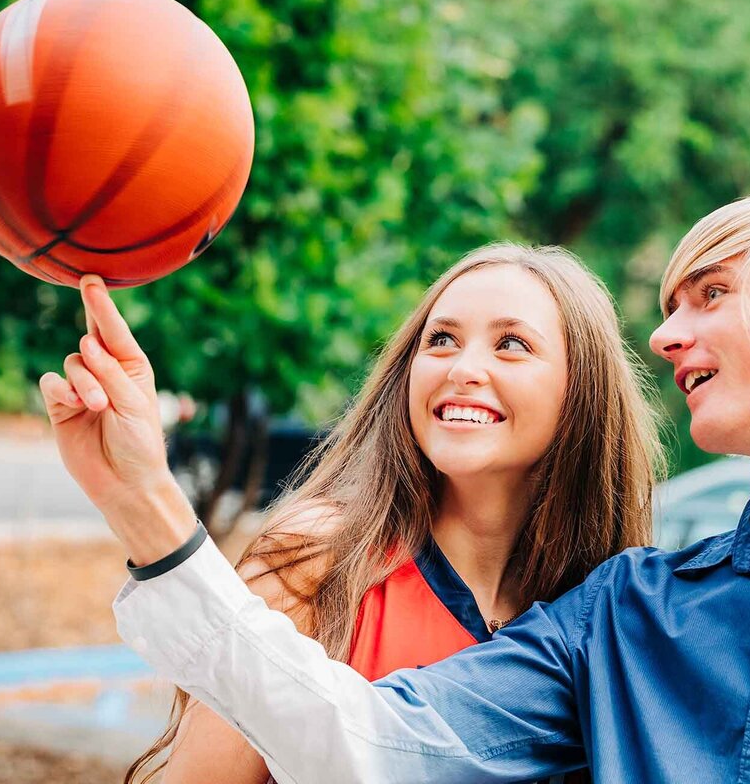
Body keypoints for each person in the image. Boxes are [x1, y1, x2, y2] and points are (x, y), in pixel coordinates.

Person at [51, 194, 750, 782]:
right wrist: (147, 504)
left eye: (712, 296)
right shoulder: (623, 611)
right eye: (670, 307)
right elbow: (367, 746)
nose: (665, 338)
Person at [39, 243, 662, 783]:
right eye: (441, 339)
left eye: (512, 345)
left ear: (582, 394)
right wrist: (139, 493)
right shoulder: (315, 563)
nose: (464, 369)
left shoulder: (603, 614)